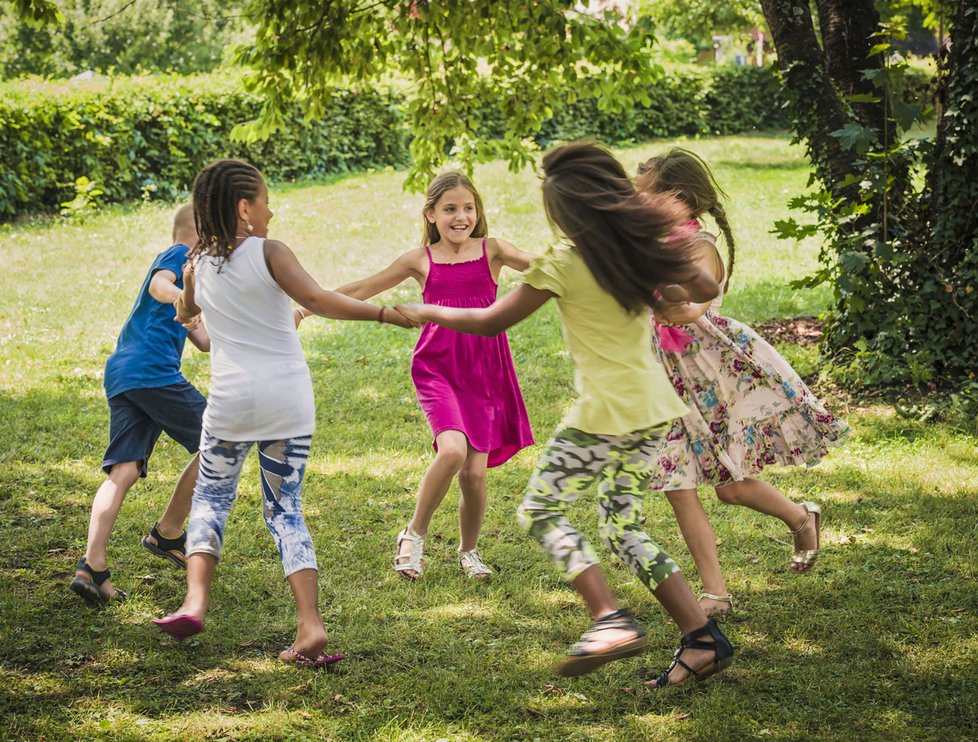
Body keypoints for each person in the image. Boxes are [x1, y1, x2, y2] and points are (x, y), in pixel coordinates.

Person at [396, 143, 734, 687]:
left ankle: (608, 620)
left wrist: (422, 309)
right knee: (622, 526)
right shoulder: (633, 248)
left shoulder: (567, 259)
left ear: (566, 213)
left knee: (541, 510)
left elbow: (488, 322)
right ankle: (702, 641)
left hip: (604, 412)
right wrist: (670, 277)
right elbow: (706, 287)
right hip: (651, 407)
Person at [153, 159, 413, 667]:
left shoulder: (199, 265)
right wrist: (385, 313)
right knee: (285, 510)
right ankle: (310, 625)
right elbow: (317, 298)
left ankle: (195, 601)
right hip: (286, 402)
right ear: (245, 208)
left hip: (230, 406)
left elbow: (187, 317)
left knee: (211, 498)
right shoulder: (270, 252)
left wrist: (187, 293)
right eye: (266, 201)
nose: (272, 210)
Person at [636, 148, 850, 617]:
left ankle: (800, 515)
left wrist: (670, 301)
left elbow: (694, 304)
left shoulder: (698, 247)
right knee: (677, 483)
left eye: (644, 186)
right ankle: (716, 593)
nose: (635, 192)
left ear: (676, 199)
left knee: (730, 487)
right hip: (669, 380)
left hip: (714, 373)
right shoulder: (647, 242)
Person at [334, 172, 534, 581]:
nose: (460, 217)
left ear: (477, 213)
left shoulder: (492, 250)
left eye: (467, 208)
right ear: (431, 215)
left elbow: (544, 267)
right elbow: (366, 287)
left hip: (485, 370)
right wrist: (306, 307)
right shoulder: (420, 259)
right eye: (450, 209)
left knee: (475, 475)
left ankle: (469, 551)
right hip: (437, 367)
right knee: (453, 452)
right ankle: (413, 535)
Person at [70, 204, 210, 606]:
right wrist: (184, 293)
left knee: (123, 471)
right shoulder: (179, 257)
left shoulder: (192, 285)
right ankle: (168, 532)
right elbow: (158, 286)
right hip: (152, 372)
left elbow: (204, 342)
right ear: (199, 233)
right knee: (220, 439)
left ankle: (91, 566)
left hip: (123, 375)